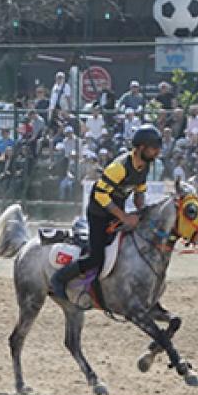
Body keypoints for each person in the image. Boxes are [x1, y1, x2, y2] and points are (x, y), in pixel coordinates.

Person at [49, 125, 161, 300]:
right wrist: (124, 217)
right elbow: (101, 195)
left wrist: (143, 212)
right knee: (96, 258)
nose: (157, 152)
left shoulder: (145, 166)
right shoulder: (119, 168)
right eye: (154, 148)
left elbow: (139, 192)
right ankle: (59, 279)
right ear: (141, 148)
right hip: (98, 213)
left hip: (116, 211)